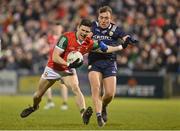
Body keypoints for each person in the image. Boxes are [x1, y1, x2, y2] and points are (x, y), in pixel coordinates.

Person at [20, 18, 125, 125]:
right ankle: (34, 107)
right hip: (53, 68)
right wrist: (68, 64)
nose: (84, 33)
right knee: (37, 95)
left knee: (75, 88)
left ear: (90, 33)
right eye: (82, 30)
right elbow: (55, 57)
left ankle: (84, 113)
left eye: (87, 31)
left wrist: (121, 46)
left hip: (68, 70)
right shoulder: (66, 37)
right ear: (78, 28)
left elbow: (106, 49)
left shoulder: (89, 43)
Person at [88, 6, 138, 127]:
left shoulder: (116, 29)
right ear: (98, 17)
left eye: (106, 18)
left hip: (110, 62)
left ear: (111, 18)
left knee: (110, 94)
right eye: (101, 17)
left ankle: (104, 106)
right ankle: (99, 115)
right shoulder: (92, 27)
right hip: (94, 62)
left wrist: (128, 39)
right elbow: (85, 36)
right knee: (96, 88)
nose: (104, 20)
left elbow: (125, 36)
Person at [43, 23, 68, 110]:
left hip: (61, 64)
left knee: (63, 84)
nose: (57, 29)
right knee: (46, 83)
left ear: (61, 28)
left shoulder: (64, 38)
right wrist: (44, 51)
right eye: (56, 27)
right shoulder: (49, 38)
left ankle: (64, 103)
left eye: (59, 28)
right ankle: (50, 102)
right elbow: (46, 48)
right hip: (51, 64)